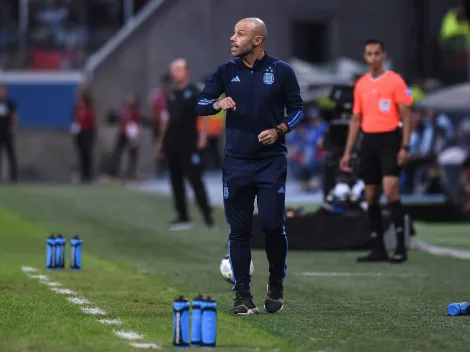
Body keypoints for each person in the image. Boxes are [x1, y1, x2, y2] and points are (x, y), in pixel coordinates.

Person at [196, 18, 304, 315]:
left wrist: (279, 130)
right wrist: (216, 105)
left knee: (271, 225)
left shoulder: (281, 71)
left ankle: (276, 284)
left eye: (240, 34)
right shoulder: (225, 72)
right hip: (236, 164)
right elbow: (201, 103)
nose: (232, 38)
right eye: (233, 32)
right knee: (238, 231)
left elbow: (297, 111)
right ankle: (242, 297)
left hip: (271, 163)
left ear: (257, 41)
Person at [340, 39, 413, 263]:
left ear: (383, 55)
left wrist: (405, 145)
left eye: (377, 53)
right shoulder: (361, 84)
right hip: (368, 141)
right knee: (371, 195)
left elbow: (407, 115)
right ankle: (378, 247)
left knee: (391, 191)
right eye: (369, 54)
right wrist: (347, 152)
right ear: (365, 57)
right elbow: (355, 119)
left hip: (390, 139)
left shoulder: (395, 81)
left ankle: (400, 247)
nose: (373, 57)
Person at [156, 58, 214, 231]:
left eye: (179, 69)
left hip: (190, 144)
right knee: (176, 181)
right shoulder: (171, 94)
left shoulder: (195, 92)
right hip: (172, 145)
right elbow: (166, 119)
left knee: (195, 180)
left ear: (186, 71)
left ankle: (207, 216)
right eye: (173, 70)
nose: (175, 73)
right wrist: (160, 141)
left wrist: (203, 136)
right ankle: (182, 216)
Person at [110, 93, 141, 180]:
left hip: (131, 133)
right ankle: (114, 172)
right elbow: (121, 120)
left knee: (132, 153)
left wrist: (136, 135)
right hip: (123, 132)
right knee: (117, 152)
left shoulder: (135, 111)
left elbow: (136, 123)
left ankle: (131, 173)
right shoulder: (124, 109)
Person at [148, 73, 172, 178]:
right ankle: (161, 170)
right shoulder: (157, 96)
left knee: (168, 149)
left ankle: (168, 170)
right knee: (159, 148)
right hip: (158, 125)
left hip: (170, 127)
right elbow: (152, 108)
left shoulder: (172, 95)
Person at [71, 90, 96, 183]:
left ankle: (88, 174)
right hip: (79, 134)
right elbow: (75, 120)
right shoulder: (77, 110)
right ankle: (82, 174)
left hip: (87, 133)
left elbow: (91, 123)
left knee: (87, 155)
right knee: (81, 155)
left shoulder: (89, 111)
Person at [0, 84, 18, 183]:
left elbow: (14, 116)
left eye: (3, 90)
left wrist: (13, 127)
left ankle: (14, 176)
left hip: (7, 132)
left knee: (11, 154)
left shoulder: (10, 103)